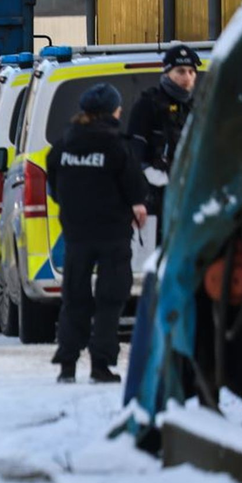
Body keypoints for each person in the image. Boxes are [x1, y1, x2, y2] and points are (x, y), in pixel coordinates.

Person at [46, 83, 148, 384]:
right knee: (110, 299)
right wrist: (137, 207)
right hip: (113, 235)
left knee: (74, 298)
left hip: (76, 233)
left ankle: (67, 364)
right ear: (113, 111)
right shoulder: (116, 144)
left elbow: (54, 186)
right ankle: (100, 365)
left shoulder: (64, 144)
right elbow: (135, 188)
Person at [126, 44, 199, 227]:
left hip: (187, 192)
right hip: (152, 196)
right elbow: (135, 150)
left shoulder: (196, 107)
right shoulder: (148, 104)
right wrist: (152, 175)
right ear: (167, 73)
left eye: (191, 72)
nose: (187, 77)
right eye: (180, 71)